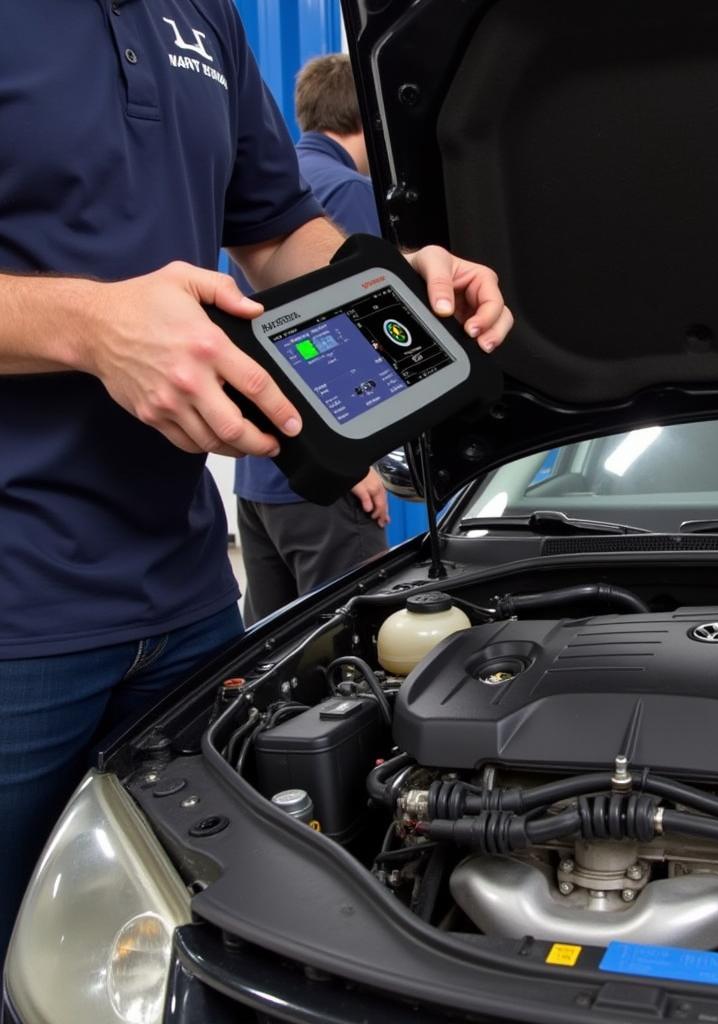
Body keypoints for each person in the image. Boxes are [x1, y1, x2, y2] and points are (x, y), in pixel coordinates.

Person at [0, 3, 512, 957]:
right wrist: (86, 325)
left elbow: (279, 238)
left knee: (173, 952)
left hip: (188, 592)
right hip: (17, 609)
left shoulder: (203, 15)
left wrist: (404, 284)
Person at [234, 54, 391, 626]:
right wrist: (352, 459)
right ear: (366, 117)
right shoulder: (344, 191)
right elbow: (334, 337)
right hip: (321, 480)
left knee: (271, 659)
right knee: (346, 661)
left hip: (261, 476)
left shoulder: (278, 188)